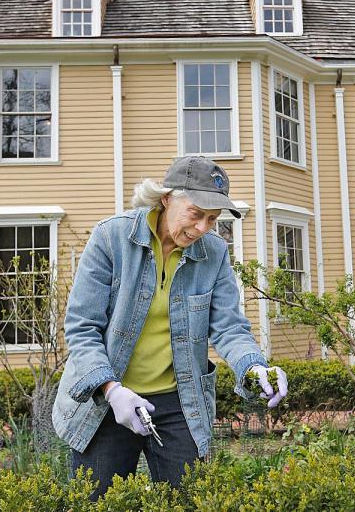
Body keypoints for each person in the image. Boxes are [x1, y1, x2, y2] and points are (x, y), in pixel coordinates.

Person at [52, 155, 288, 499]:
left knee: (189, 499)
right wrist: (112, 390)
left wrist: (254, 366)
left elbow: (229, 328)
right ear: (166, 199)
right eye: (196, 213)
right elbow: (81, 327)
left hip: (178, 401)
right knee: (96, 501)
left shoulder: (214, 253)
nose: (204, 227)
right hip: (107, 401)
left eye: (213, 218)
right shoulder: (110, 238)